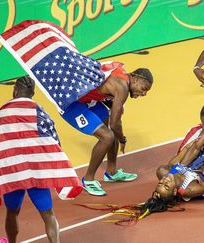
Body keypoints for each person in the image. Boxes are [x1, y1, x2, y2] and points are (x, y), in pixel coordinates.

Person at [0, 76, 83, 243]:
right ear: (32, 94)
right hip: (37, 171)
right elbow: (53, 138)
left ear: (14, 91)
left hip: (13, 172)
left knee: (12, 212)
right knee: (48, 214)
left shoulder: (1, 113)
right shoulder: (39, 111)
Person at [60, 63, 154, 196]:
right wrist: (122, 139)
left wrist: (119, 132)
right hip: (71, 103)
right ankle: (87, 180)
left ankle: (111, 172)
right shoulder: (122, 87)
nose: (143, 93)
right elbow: (115, 124)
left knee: (111, 130)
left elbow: (116, 120)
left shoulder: (122, 77)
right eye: (143, 88)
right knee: (107, 137)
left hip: (88, 99)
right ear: (135, 79)